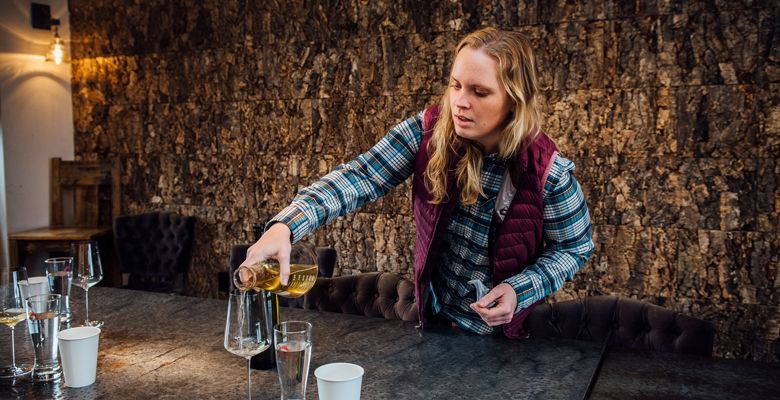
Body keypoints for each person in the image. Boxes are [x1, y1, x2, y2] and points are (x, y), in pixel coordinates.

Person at [241, 27, 594, 338]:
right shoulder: (427, 131)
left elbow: (574, 248)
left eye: (479, 92)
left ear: (514, 101)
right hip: (434, 322)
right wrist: (286, 225)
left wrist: (520, 289)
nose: (460, 102)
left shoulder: (548, 171)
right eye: (455, 85)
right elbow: (361, 176)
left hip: (506, 340)